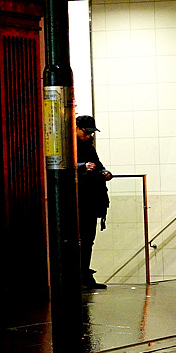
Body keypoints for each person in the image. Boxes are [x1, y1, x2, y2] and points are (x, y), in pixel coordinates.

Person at [75, 115, 112, 288]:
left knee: (88, 239)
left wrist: (105, 173)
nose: (89, 135)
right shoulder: (69, 146)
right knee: (78, 240)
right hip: (77, 201)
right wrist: (83, 166)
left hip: (91, 201)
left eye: (91, 133)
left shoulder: (89, 147)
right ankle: (78, 275)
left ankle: (84, 274)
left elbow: (98, 164)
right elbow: (61, 166)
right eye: (86, 132)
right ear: (76, 128)